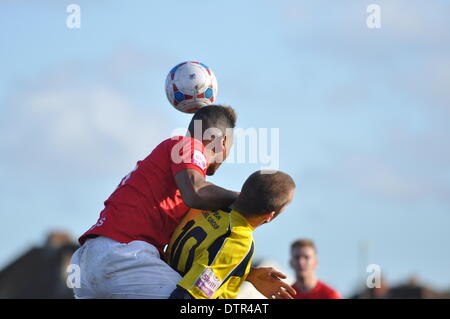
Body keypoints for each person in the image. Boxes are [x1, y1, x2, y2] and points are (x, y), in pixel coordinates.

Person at [70, 105, 291, 298]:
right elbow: (195, 192)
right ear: (222, 141)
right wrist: (248, 199)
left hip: (90, 262)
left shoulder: (173, 181)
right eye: (230, 148)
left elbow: (191, 253)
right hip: (121, 256)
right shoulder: (187, 146)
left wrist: (246, 273)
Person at [167, 170, 297, 299]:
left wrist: (247, 272)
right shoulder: (239, 240)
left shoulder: (209, 203)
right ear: (270, 215)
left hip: (164, 273)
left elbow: (207, 256)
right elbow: (188, 295)